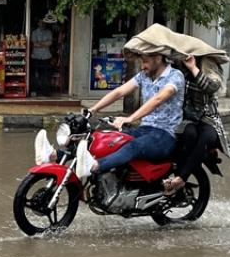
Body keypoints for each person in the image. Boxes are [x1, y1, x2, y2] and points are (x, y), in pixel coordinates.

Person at [76, 43, 184, 178]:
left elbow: (158, 99)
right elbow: (119, 91)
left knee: (133, 147)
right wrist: (93, 109)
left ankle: (94, 166)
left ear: (158, 58)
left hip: (165, 134)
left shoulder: (175, 76)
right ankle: (54, 155)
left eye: (145, 61)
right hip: (145, 130)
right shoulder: (144, 75)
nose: (143, 66)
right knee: (110, 141)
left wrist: (130, 118)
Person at [162, 53, 230, 196]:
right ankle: (179, 172)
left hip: (209, 119)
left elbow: (211, 87)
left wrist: (194, 67)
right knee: (188, 134)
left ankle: (181, 179)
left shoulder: (211, 71)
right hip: (188, 119)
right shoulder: (180, 71)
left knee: (206, 138)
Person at [30, 17, 54, 96]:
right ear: (38, 23)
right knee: (35, 74)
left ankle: (45, 92)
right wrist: (44, 43)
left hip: (46, 56)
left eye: (44, 22)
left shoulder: (48, 32)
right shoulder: (34, 32)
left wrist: (40, 43)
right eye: (41, 22)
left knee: (46, 75)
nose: (43, 24)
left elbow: (50, 43)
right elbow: (34, 44)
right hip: (36, 56)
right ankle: (35, 91)